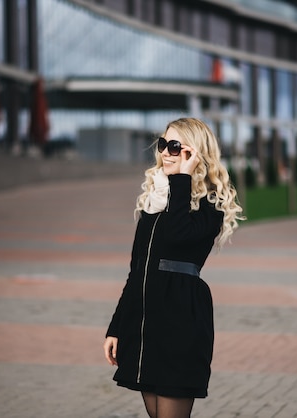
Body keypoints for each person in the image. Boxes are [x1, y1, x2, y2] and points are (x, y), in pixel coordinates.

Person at [103, 118, 245, 418]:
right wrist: (116, 328)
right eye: (163, 144)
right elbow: (135, 272)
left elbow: (179, 234)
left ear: (195, 155)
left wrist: (182, 178)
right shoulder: (152, 204)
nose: (166, 152)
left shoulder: (210, 206)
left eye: (176, 146)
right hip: (144, 326)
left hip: (181, 323)